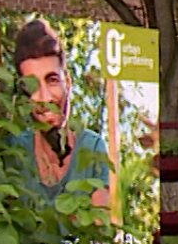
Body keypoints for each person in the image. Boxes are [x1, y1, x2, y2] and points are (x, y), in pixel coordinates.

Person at [11, 18, 114, 212]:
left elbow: (99, 230)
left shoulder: (92, 148)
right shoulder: (14, 150)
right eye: (33, 86)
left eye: (52, 80)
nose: (45, 98)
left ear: (67, 82)